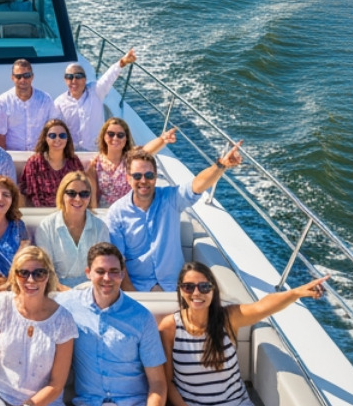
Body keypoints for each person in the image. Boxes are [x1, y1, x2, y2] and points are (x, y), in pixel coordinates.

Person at [158, 262, 328, 406]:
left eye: (204, 287)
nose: (196, 293)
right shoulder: (170, 328)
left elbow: (262, 306)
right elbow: (168, 381)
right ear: (180, 290)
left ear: (213, 290)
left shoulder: (228, 318)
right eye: (188, 287)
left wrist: (295, 293)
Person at [107, 143, 242, 292]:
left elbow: (196, 185)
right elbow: (117, 261)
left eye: (149, 175)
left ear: (156, 177)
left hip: (175, 286)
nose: (143, 181)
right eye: (137, 176)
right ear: (128, 178)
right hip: (137, 288)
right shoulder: (116, 213)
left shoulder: (171, 198)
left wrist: (220, 166)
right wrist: (132, 295)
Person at [59, 244, 169, 406]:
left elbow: (158, 383)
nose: (107, 278)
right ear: (88, 273)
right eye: (100, 271)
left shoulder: (142, 317)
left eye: (114, 271)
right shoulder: (67, 305)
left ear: (122, 274)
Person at [0, 246, 77, 406]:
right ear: (15, 276)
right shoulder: (1, 306)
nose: (31, 280)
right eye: (24, 273)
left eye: (39, 273)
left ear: (48, 276)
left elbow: (56, 385)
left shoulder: (63, 320)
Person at [31, 172, 107, 289]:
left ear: (90, 197)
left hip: (92, 290)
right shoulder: (46, 227)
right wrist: (65, 292)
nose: (78, 199)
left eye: (84, 194)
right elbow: (46, 269)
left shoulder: (100, 227)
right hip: (56, 291)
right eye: (71, 193)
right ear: (62, 195)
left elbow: (103, 267)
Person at [54, 50, 136, 147]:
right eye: (69, 77)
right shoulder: (59, 103)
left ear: (85, 79)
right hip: (72, 153)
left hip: (95, 151)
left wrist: (123, 62)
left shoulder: (96, 92)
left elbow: (109, 77)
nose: (74, 81)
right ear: (65, 80)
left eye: (78, 76)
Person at [92, 118, 175, 209]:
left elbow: (147, 150)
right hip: (105, 212)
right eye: (111, 134)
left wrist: (163, 139)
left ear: (126, 138)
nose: (115, 138)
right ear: (104, 136)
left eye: (120, 135)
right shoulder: (96, 164)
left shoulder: (131, 158)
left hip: (130, 210)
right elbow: (93, 196)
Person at [18, 120, 92, 208]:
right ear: (46, 138)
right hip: (41, 212)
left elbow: (82, 188)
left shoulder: (74, 161)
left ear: (67, 139)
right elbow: (32, 195)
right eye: (52, 136)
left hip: (69, 210)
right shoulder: (34, 162)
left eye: (62, 136)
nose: (58, 139)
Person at [0, 59, 55, 156]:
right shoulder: (2, 102)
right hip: (12, 158)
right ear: (12, 78)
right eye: (18, 76)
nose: (22, 80)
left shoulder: (45, 99)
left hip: (40, 157)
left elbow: (53, 129)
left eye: (26, 75)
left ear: (32, 77)